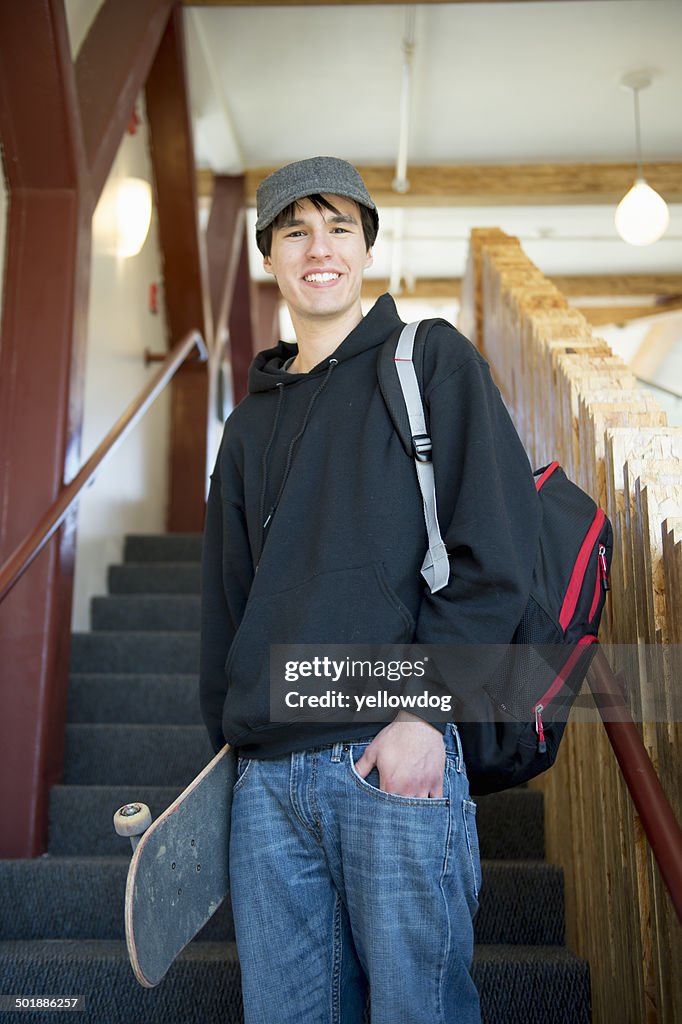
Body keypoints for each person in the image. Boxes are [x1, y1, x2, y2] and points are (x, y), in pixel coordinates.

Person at [199, 156, 541, 1024]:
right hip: (268, 783)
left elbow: (497, 553)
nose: (321, 248)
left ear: (367, 249)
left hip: (393, 756)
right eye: (296, 231)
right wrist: (228, 761)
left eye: (340, 227)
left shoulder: (429, 362)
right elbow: (226, 608)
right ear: (268, 256)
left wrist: (426, 720)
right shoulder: (246, 426)